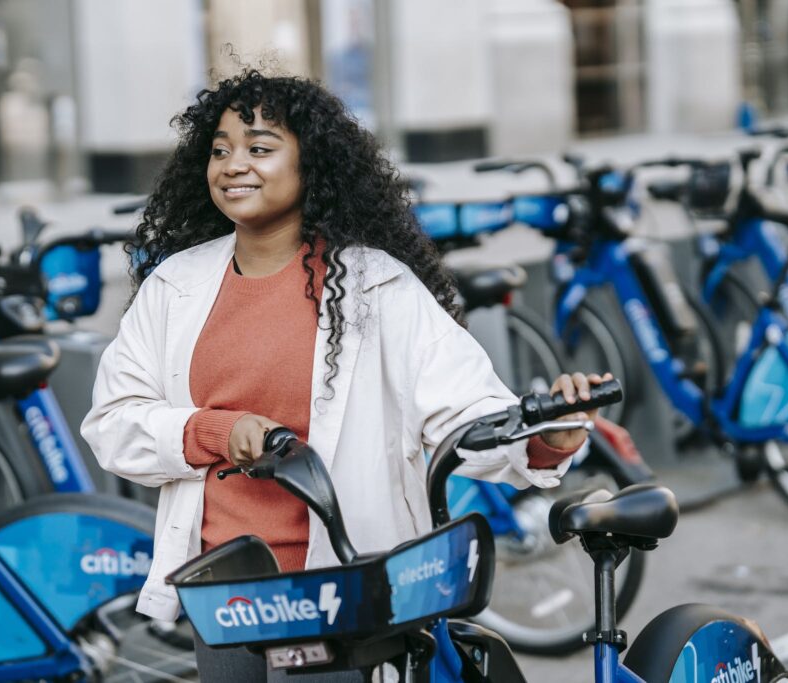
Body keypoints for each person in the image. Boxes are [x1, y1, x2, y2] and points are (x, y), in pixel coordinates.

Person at [81, 67, 611, 682]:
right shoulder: (176, 286)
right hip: (226, 596)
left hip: (341, 594)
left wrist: (546, 438)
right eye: (220, 150)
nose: (233, 165)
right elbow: (112, 424)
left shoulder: (374, 285)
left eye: (259, 148)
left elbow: (464, 413)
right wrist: (214, 432)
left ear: (313, 167)